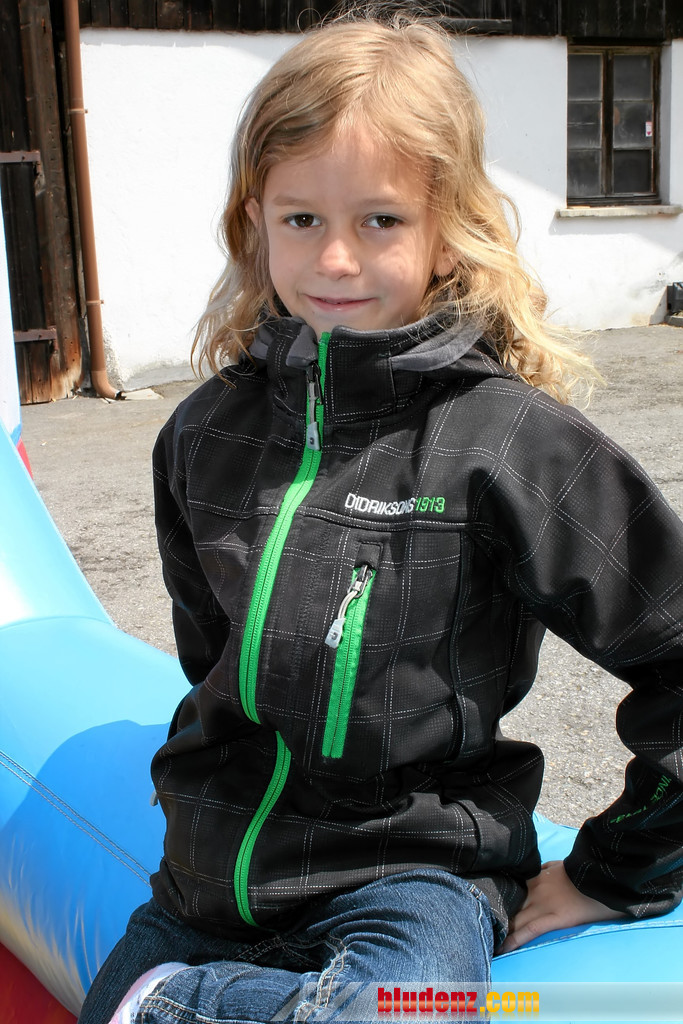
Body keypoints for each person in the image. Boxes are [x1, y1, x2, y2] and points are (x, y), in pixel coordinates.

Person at [78, 11, 683, 1024]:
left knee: (399, 1016)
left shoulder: (508, 441)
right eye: (300, 218)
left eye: (380, 220)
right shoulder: (202, 432)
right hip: (209, 880)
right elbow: (209, 659)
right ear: (253, 221)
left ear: (446, 230)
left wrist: (614, 870)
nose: (335, 259)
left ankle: (177, 1006)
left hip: (411, 876)